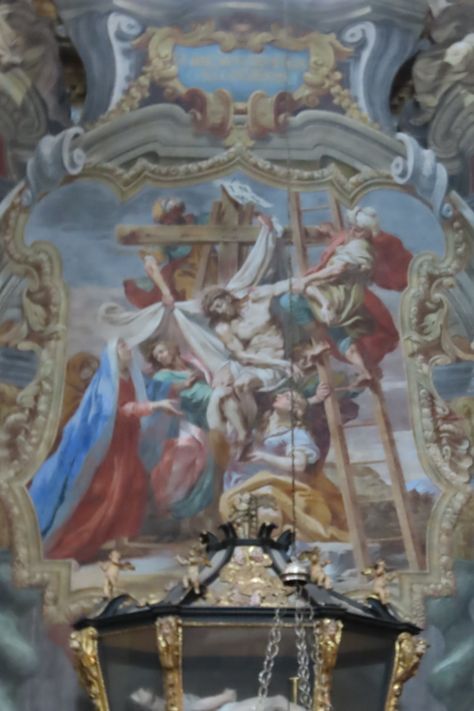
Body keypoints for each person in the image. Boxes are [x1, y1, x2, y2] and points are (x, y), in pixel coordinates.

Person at [29, 339, 179, 564]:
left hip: (127, 444)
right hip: (108, 449)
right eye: (122, 346)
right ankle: (69, 547)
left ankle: (121, 543)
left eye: (127, 346)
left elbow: (153, 390)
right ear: (113, 353)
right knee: (106, 493)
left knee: (134, 486)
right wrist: (156, 406)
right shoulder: (108, 382)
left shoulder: (132, 378)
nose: (128, 349)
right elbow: (118, 411)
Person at [220, 389, 347, 542]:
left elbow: (298, 465)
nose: (278, 395)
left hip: (268, 484)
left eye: (286, 396)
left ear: (294, 408)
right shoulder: (259, 427)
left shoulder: (295, 434)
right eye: (280, 394)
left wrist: (265, 457)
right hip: (238, 485)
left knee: (262, 507)